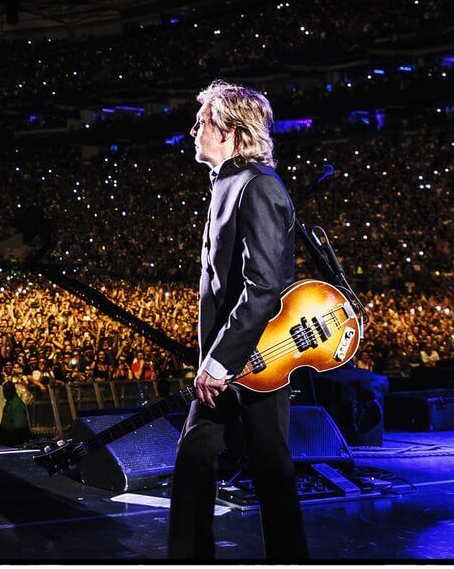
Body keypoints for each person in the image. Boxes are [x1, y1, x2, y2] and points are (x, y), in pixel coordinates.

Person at [168, 81, 309, 560]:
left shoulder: (258, 186)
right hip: (227, 362)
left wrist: (220, 362)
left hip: (257, 361)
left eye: (202, 120)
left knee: (271, 470)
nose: (193, 130)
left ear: (229, 129)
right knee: (195, 459)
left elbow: (265, 285)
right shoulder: (228, 184)